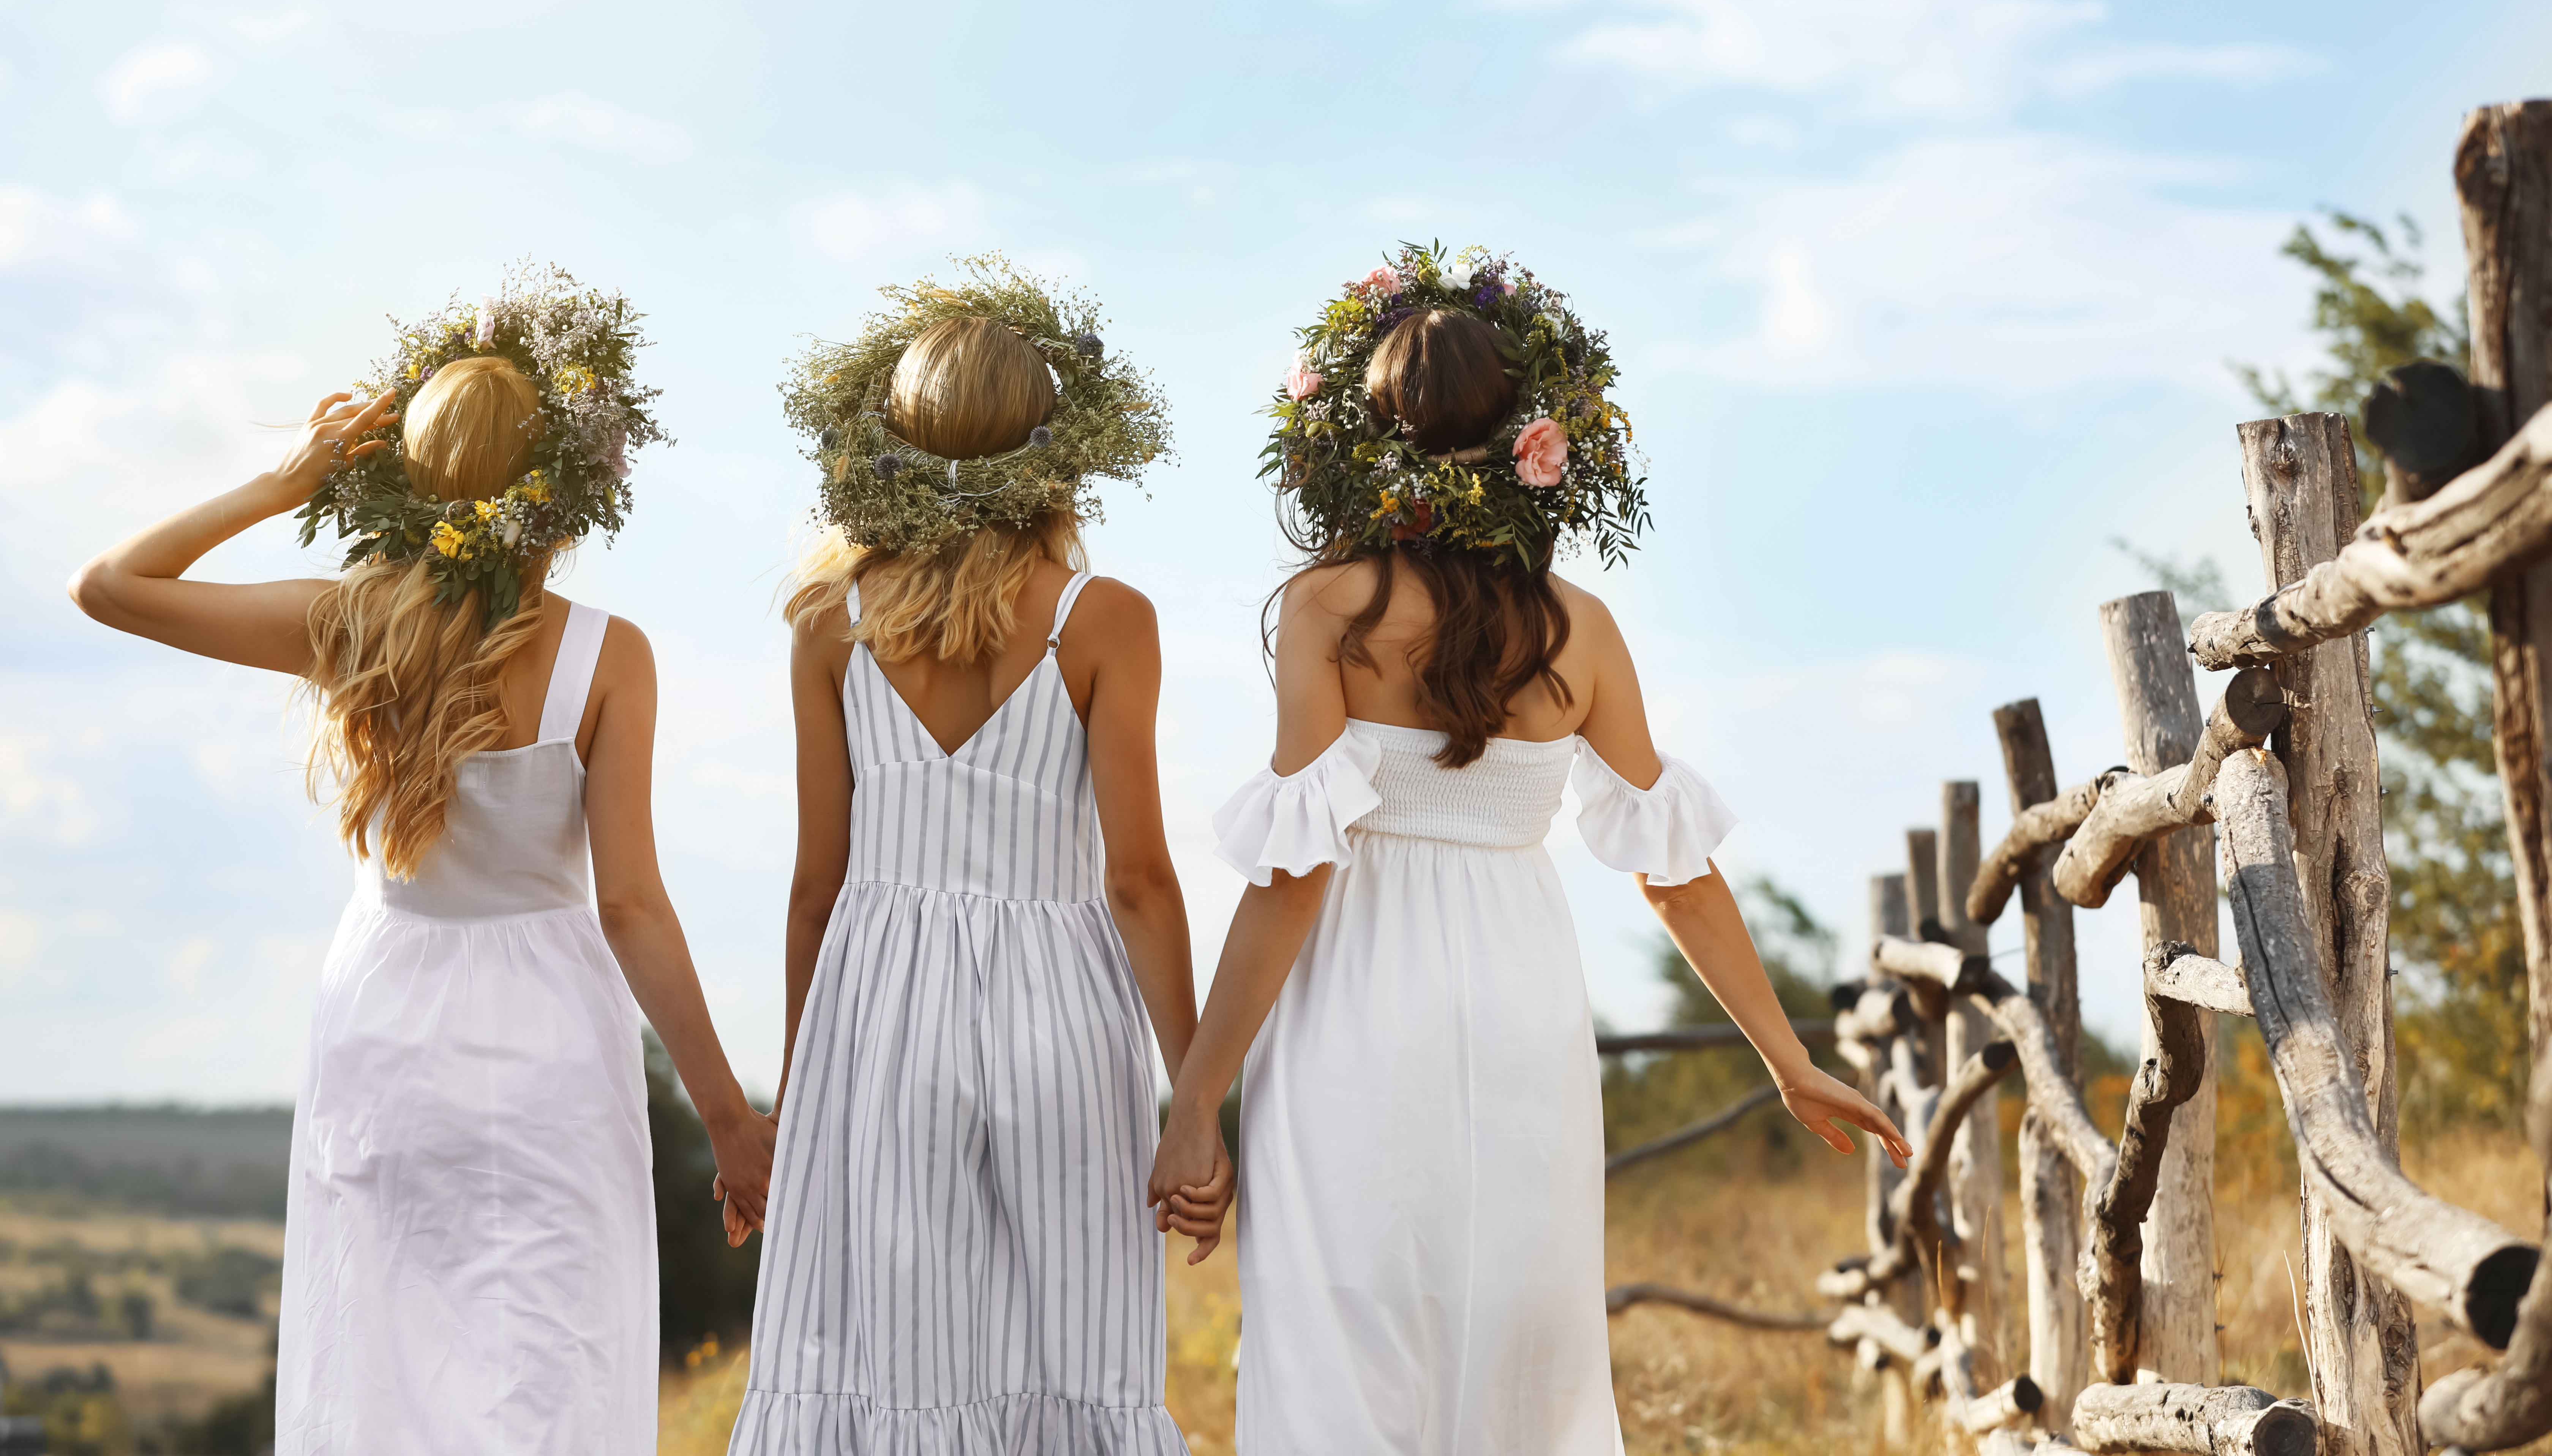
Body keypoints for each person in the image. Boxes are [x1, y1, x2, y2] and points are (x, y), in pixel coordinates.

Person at [1148, 246, 1912, 1455]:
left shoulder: (1329, 609)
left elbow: (1296, 877)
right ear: (1530, 435)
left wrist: (1196, 1099)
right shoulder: (1583, 630)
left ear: (1365, 435)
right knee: (1520, 1353)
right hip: (1521, 1000)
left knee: (1341, 1347)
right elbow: (1678, 873)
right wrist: (1787, 1056)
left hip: (1353, 1003)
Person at [68, 278, 772, 1455]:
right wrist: (728, 1118)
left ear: (406, 480)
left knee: (385, 1368)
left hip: (385, 1023)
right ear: (567, 488)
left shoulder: (349, 623)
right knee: (554, 1366)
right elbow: (634, 905)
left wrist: (288, 481)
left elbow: (108, 587)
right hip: (549, 1036)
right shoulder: (609, 656)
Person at [728, 259, 1227, 1455]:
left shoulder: (829, 622)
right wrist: (1194, 1101)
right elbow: (1139, 879)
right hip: (1061, 999)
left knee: (891, 1355)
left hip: (877, 1004)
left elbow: (816, 884)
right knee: (1082, 1353)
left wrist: (799, 1094)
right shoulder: (1103, 618)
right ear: (1055, 447)